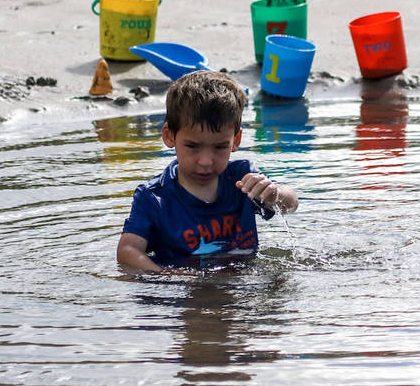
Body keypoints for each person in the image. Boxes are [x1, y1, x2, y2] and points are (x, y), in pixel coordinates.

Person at [117, 70, 299, 273]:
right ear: (169, 136)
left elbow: (291, 204)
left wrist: (274, 193)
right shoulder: (154, 197)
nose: (205, 161)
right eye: (193, 146)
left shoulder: (242, 177)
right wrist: (166, 275)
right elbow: (128, 250)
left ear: (235, 141)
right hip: (184, 290)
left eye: (220, 147)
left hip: (241, 283)